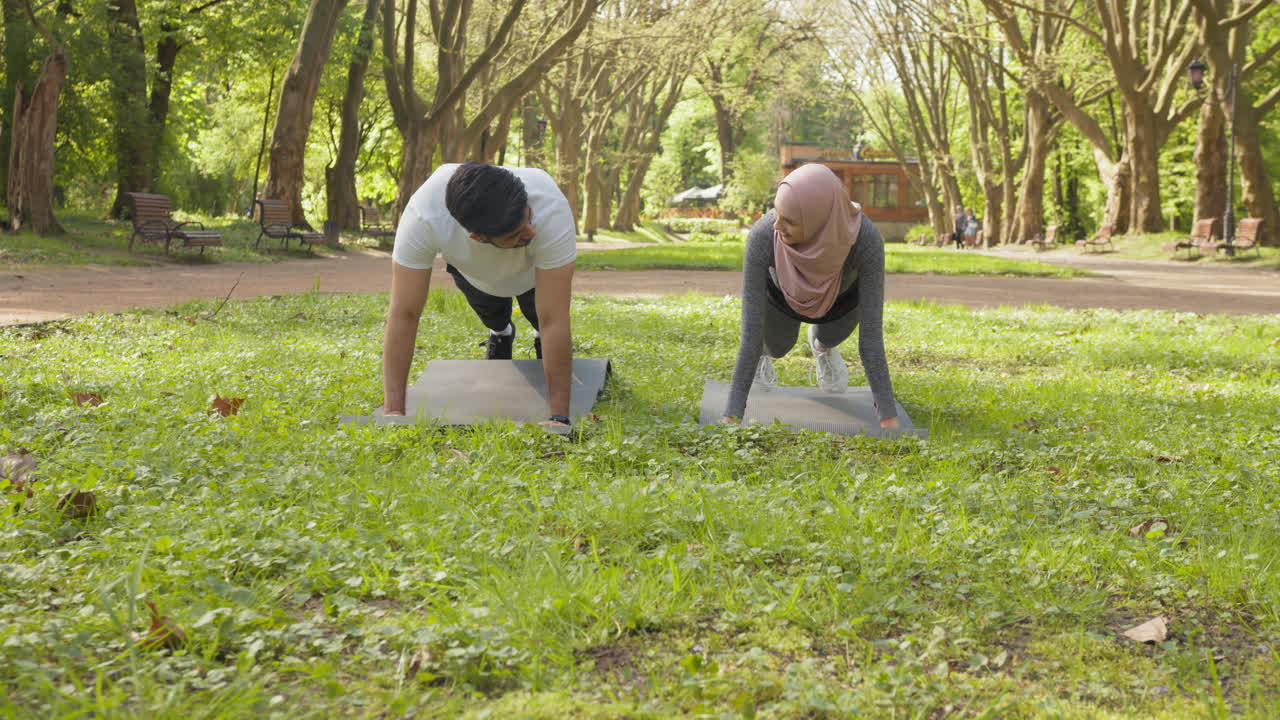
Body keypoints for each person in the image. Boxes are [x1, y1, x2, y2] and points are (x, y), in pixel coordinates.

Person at [382, 161, 577, 431]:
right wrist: (393, 411)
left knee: (542, 320)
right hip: (474, 274)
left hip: (534, 273)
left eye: (528, 218)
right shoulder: (423, 215)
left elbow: (554, 317)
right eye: (517, 234)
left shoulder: (550, 206)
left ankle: (538, 340)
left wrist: (558, 417)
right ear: (478, 237)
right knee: (493, 314)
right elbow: (404, 313)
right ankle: (502, 332)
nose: (530, 231)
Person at [722, 163, 900, 429]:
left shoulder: (865, 240)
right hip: (782, 299)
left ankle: (822, 348)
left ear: (819, 219)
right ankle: (765, 357)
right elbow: (750, 332)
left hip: (838, 301)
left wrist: (887, 417)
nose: (778, 226)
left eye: (790, 221)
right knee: (776, 346)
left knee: (830, 337)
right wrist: (732, 413)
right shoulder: (764, 235)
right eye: (777, 214)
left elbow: (871, 338)